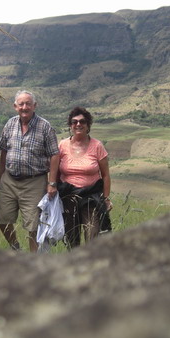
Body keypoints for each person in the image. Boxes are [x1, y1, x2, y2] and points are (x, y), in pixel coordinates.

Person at [0, 90, 59, 252]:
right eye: (21, 104)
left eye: (28, 103)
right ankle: (16, 249)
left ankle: (33, 261)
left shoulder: (45, 127)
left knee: (33, 226)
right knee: (3, 219)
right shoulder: (10, 124)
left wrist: (52, 182)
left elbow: (54, 155)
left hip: (34, 182)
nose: (25, 107)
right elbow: (3, 151)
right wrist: (1, 177)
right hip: (9, 180)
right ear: (15, 106)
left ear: (34, 106)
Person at [57, 106, 112, 248]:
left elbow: (105, 175)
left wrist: (106, 198)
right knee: (71, 238)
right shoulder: (62, 145)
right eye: (74, 122)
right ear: (70, 125)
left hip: (91, 197)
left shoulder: (97, 146)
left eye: (82, 122)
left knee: (92, 236)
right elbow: (55, 172)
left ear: (88, 125)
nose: (78, 125)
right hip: (68, 197)